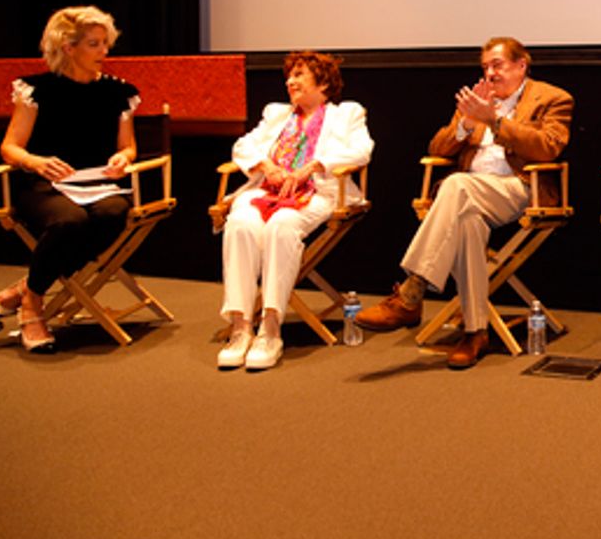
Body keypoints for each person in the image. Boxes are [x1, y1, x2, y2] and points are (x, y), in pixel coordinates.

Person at [355, 37, 573, 369]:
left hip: (521, 188)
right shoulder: (476, 101)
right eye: (485, 67)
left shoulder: (553, 98)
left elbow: (548, 147)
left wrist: (496, 121)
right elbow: (437, 148)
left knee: (457, 185)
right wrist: (466, 124)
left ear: (521, 65)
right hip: (469, 194)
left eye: (497, 65)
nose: (490, 73)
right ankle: (475, 332)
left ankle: (412, 291)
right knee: (468, 219)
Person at [0, 6, 140, 354]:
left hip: (97, 184)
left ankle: (29, 287)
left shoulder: (118, 92)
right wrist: (36, 162)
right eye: (94, 44)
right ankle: (33, 305)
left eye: (105, 43)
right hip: (45, 185)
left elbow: (128, 147)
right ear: (69, 48)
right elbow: (10, 147)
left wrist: (124, 159)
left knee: (113, 213)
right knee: (69, 221)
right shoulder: (36, 90)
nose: (104, 51)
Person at [216, 51, 373, 371]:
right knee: (240, 223)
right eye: (289, 76)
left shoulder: (347, 114)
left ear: (323, 83)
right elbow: (243, 146)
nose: (290, 81)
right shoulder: (276, 114)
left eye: (299, 75)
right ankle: (240, 327)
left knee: (282, 225)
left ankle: (270, 329)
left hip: (317, 191)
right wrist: (266, 166)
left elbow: (361, 151)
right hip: (267, 190)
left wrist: (313, 166)